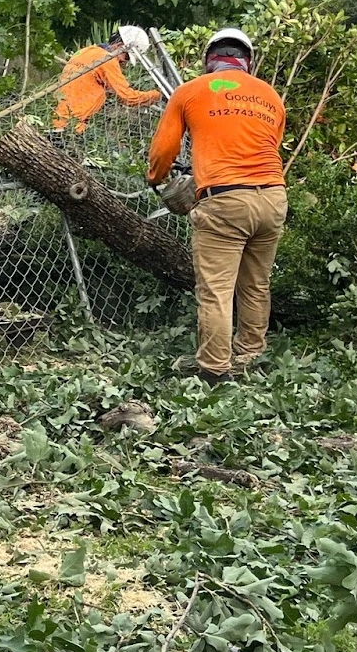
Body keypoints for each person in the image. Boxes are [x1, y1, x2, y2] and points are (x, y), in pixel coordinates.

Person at [146, 27, 287, 385]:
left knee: (216, 291)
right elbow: (270, 143)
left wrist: (156, 178)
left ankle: (214, 368)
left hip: (224, 201)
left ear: (209, 60)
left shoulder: (190, 91)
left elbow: (163, 151)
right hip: (272, 196)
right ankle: (251, 352)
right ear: (247, 62)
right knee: (256, 284)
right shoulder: (270, 96)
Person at [51, 25, 163, 133]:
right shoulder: (108, 60)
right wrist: (158, 95)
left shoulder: (86, 51)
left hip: (56, 118)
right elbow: (128, 97)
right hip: (72, 124)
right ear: (119, 46)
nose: (125, 62)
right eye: (127, 57)